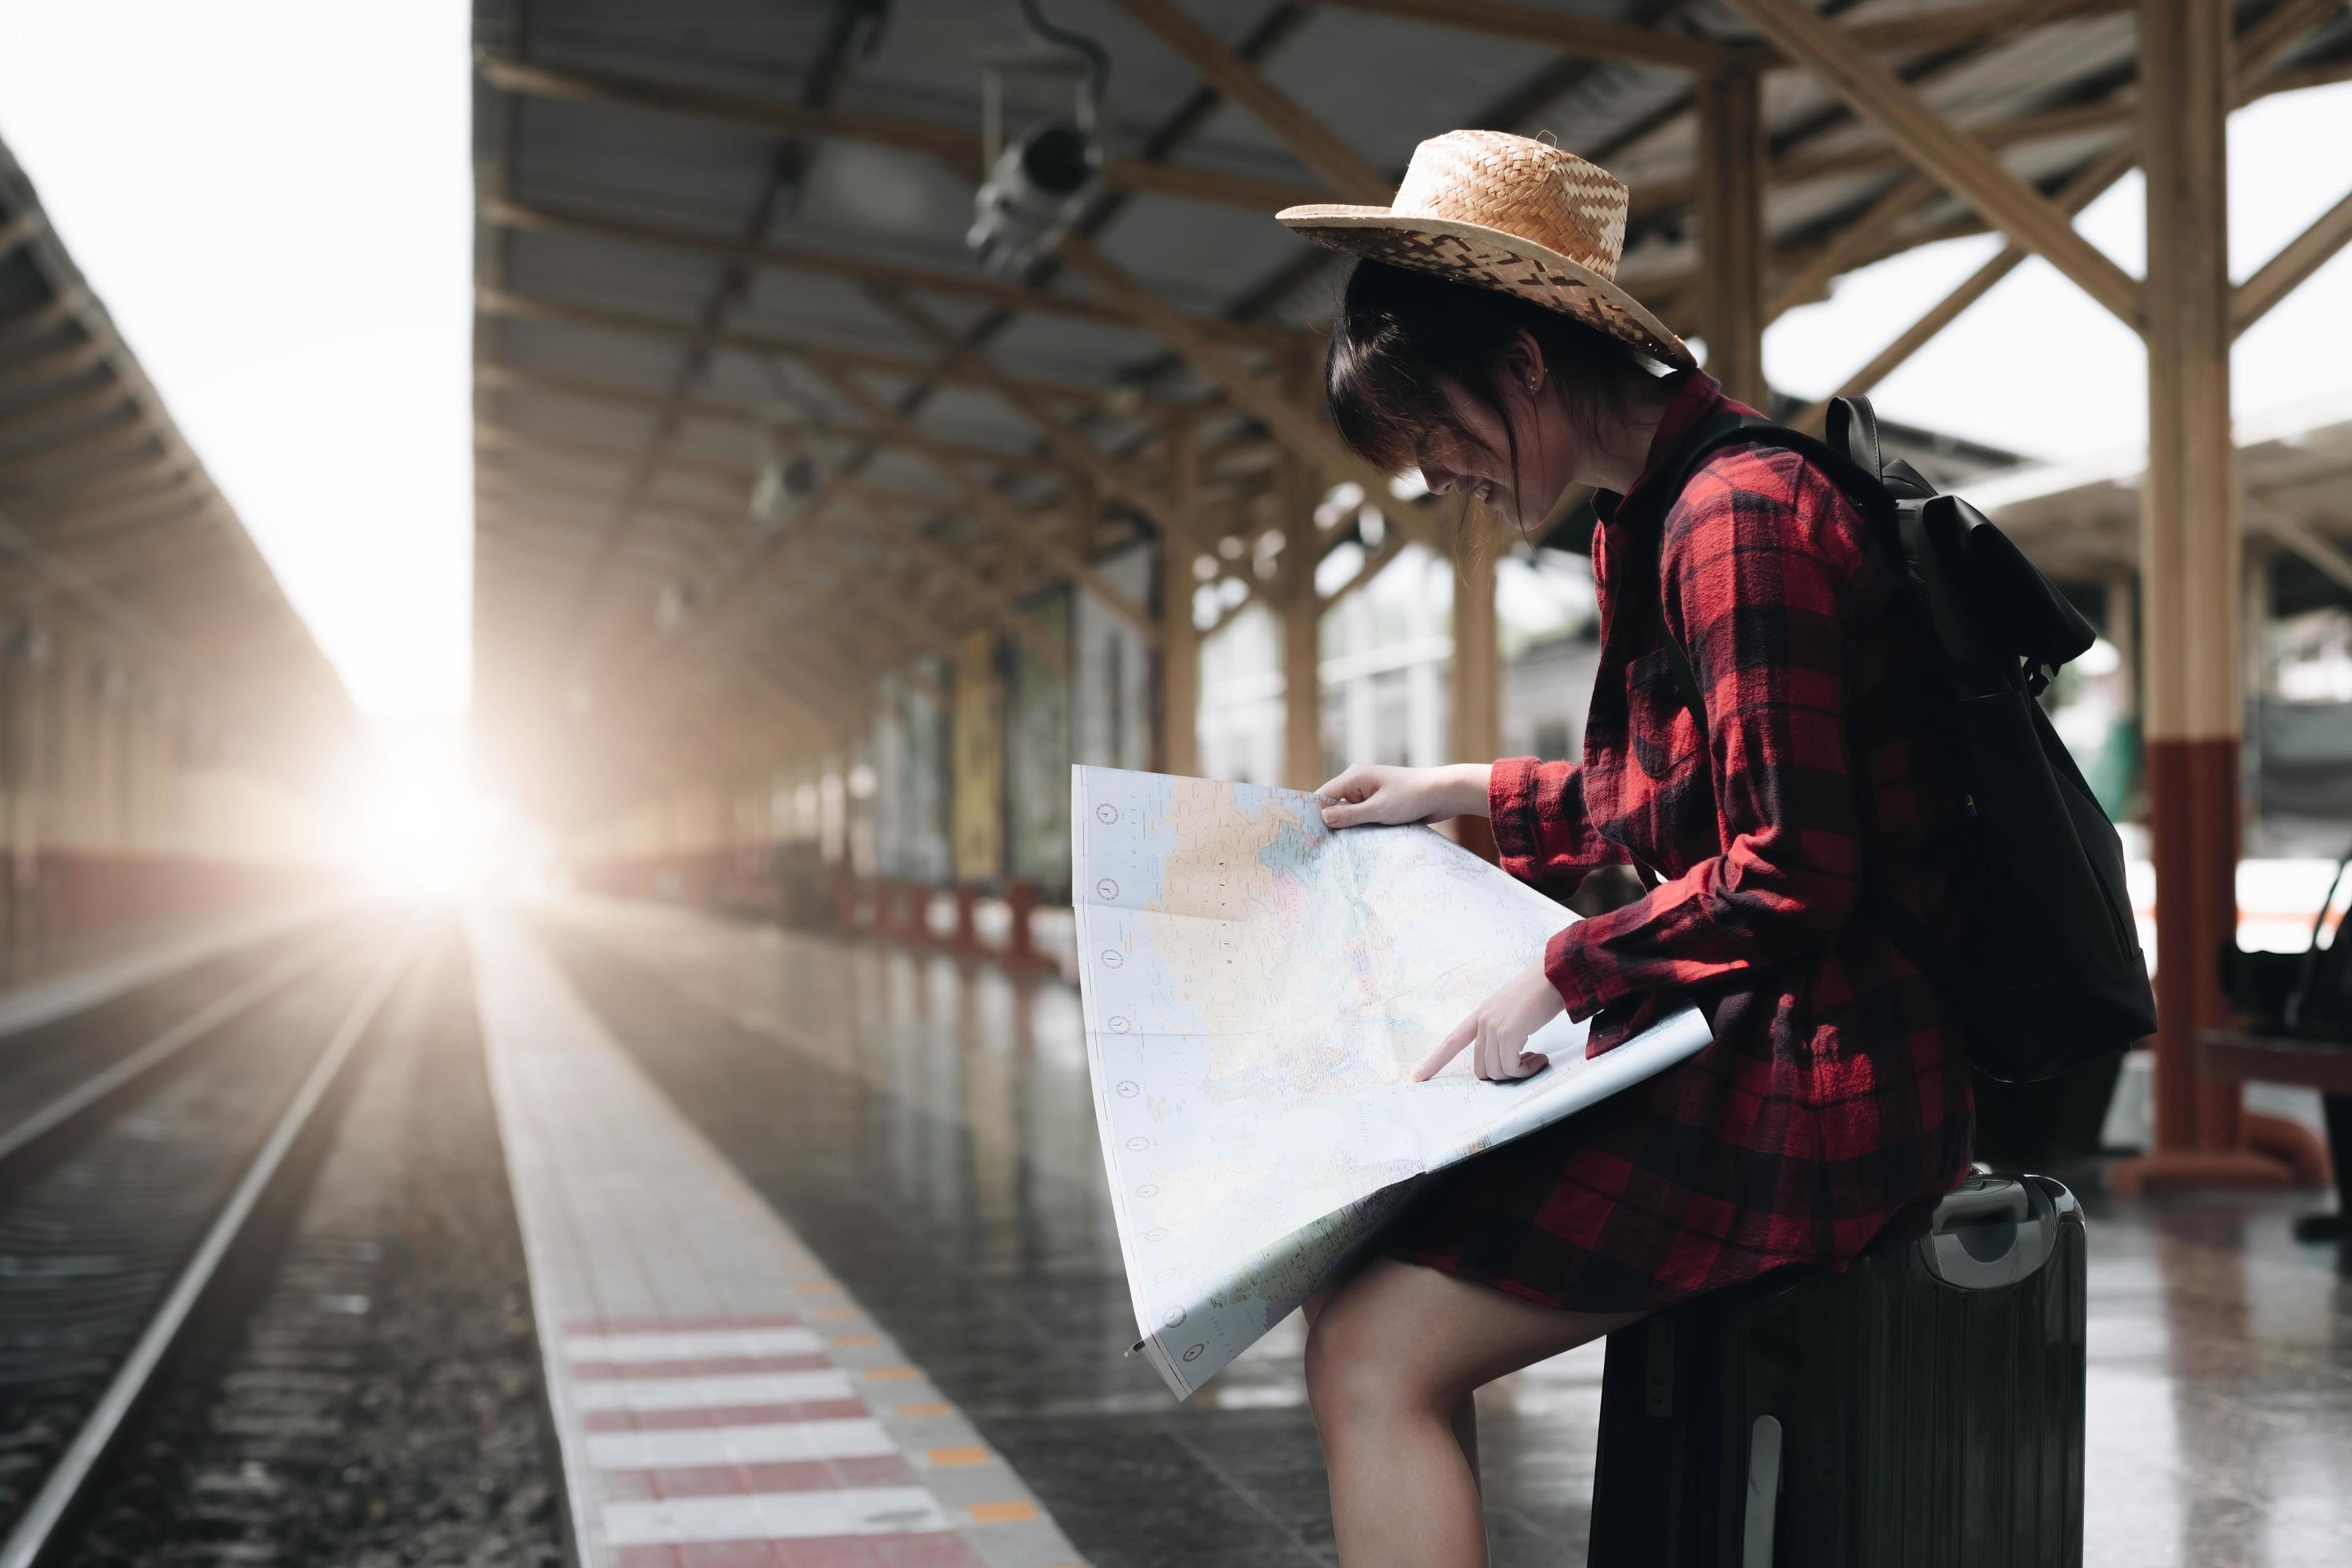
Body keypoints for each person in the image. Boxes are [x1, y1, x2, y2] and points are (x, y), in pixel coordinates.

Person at [1273, 130, 1977, 1566]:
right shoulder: (1660, 512)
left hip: (1829, 1082)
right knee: (1361, 1308)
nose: (1438, 477)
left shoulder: (1731, 521)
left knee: (1370, 1350)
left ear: (1527, 360)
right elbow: (1669, 797)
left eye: (1438, 431)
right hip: (1766, 1035)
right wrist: (1451, 783)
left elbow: (1791, 865)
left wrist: (1566, 966)